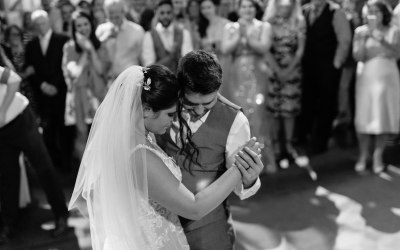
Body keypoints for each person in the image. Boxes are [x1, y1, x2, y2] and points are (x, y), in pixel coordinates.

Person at [69, 64, 263, 249]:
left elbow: (89, 199)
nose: (172, 121)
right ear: (146, 110)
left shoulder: (132, 139)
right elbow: (194, 208)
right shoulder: (139, 155)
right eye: (170, 114)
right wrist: (239, 167)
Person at [156, 50, 264, 250]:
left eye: (207, 104)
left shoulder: (235, 121)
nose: (198, 110)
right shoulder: (163, 105)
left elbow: (239, 185)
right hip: (161, 226)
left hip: (208, 229)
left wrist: (249, 179)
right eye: (191, 103)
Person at [0, 67, 69, 244]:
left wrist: (2, 110)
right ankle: (9, 224)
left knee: (44, 168)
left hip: (21, 119)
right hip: (2, 132)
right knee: (8, 176)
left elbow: (14, 79)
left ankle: (61, 216)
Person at [221, 0, 277, 173]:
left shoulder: (264, 26)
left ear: (256, 9)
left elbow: (264, 47)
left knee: (258, 114)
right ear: (238, 9)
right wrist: (239, 34)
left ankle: (265, 159)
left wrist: (249, 36)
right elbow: (225, 48)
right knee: (239, 116)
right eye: (244, 6)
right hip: (236, 73)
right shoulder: (230, 27)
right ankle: (240, 163)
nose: (247, 10)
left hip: (257, 72)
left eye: (251, 6)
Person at [299, 0, 352, 155]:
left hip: (328, 67)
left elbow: (345, 40)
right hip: (307, 67)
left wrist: (336, 63)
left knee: (326, 105)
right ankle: (305, 139)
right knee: (308, 103)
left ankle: (320, 143)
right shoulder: (304, 11)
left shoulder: (336, 12)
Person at [353, 0, 400, 173]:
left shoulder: (394, 30)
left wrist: (380, 39)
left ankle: (378, 156)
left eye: (377, 11)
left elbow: (396, 53)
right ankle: (363, 154)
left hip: (388, 78)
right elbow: (358, 56)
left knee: (383, 116)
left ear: (384, 13)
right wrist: (367, 39)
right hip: (366, 77)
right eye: (370, 11)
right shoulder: (360, 32)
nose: (373, 14)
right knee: (364, 116)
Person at [62, 10, 110, 170]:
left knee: (103, 135)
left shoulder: (100, 45)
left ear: (91, 25)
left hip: (98, 96)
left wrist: (92, 50)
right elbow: (75, 73)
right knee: (83, 137)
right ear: (74, 29)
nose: (83, 28)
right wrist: (85, 51)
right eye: (79, 26)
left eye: (85, 24)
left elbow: (101, 70)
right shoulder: (69, 47)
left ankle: (104, 171)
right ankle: (87, 174)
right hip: (79, 99)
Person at [25, 10, 69, 170]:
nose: (41, 26)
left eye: (43, 22)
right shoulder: (30, 45)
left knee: (65, 130)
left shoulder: (63, 40)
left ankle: (68, 164)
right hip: (42, 95)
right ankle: (54, 164)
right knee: (48, 130)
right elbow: (30, 70)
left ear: (49, 21)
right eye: (37, 24)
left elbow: (65, 66)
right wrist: (42, 85)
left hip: (61, 92)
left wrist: (55, 86)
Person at [263, 0, 306, 166]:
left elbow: (301, 49)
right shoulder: (268, 23)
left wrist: (288, 70)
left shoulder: (299, 21)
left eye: (288, 6)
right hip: (272, 69)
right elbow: (266, 49)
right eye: (281, 5)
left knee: (290, 108)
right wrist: (277, 69)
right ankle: (275, 146)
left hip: (293, 69)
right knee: (274, 109)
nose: (284, 8)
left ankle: (288, 145)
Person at [96, 0, 144, 81]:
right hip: (108, 80)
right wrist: (104, 40)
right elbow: (97, 55)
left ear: (123, 12)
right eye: (110, 13)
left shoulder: (137, 30)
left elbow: (143, 58)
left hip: (130, 79)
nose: (114, 16)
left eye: (116, 13)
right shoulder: (101, 30)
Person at [142, 0, 193, 72]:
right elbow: (149, 68)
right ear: (156, 13)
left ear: (173, 13)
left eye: (168, 12)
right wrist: (171, 57)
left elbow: (188, 64)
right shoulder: (149, 35)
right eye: (162, 13)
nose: (165, 16)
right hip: (158, 81)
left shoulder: (184, 33)